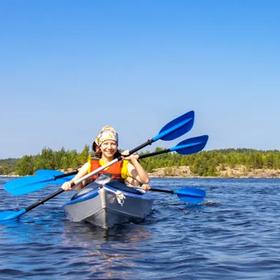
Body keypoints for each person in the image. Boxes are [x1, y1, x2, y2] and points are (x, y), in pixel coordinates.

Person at [62, 125, 150, 191]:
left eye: (113, 144)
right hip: (93, 194)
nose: (109, 147)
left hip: (118, 195)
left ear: (117, 146)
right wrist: (69, 184)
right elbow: (75, 180)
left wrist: (133, 160)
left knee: (134, 182)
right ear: (100, 147)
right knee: (82, 182)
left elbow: (145, 180)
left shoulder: (124, 164)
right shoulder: (90, 164)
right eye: (105, 144)